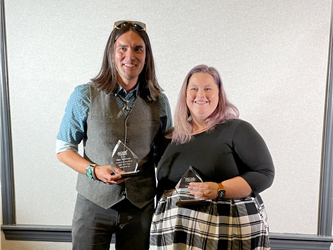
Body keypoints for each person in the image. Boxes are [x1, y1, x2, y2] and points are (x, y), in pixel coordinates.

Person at [56, 20, 172, 250]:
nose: (131, 55)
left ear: (146, 56)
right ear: (112, 52)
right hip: (93, 204)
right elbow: (63, 149)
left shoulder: (159, 102)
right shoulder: (84, 95)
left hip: (140, 208)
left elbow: (165, 158)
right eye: (123, 48)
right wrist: (95, 171)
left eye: (138, 49)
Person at [150, 65, 274, 250]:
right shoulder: (171, 137)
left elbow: (264, 173)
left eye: (208, 88)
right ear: (185, 95)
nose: (201, 94)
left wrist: (219, 189)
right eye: (193, 89)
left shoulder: (237, 130)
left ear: (219, 94)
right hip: (174, 235)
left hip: (226, 232)